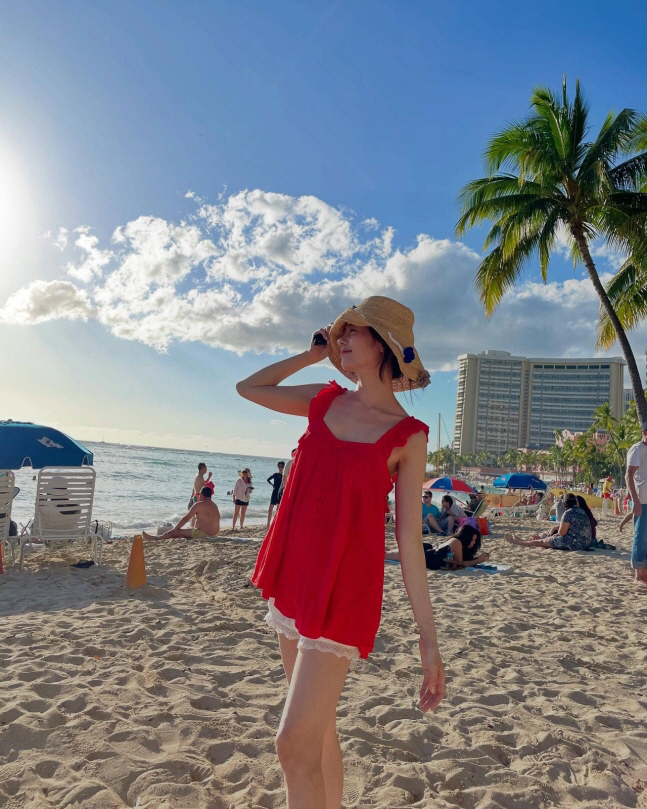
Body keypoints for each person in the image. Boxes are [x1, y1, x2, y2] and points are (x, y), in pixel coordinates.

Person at [236, 295, 445, 807]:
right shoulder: (324, 399)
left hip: (343, 592)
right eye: (339, 332)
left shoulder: (408, 436)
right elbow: (249, 388)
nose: (341, 339)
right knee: (318, 731)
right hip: (293, 577)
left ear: (384, 346)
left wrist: (428, 639)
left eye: (354, 331)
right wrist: (310, 356)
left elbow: (408, 542)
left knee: (291, 744)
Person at [505, 493, 592, 551]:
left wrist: (555, 534)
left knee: (542, 542)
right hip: (586, 542)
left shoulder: (568, 513)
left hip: (575, 543)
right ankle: (523, 541)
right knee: (546, 538)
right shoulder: (581, 511)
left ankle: (517, 542)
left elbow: (562, 533)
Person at [386, 524, 490, 569]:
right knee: (385, 555)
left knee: (389, 552)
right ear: (465, 536)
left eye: (475, 540)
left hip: (425, 553)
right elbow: (460, 563)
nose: (473, 543)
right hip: (422, 555)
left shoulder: (459, 544)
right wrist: (478, 560)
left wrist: (478, 558)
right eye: (472, 539)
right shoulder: (457, 542)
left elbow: (461, 561)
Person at [144, 486, 220, 539]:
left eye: (200, 495)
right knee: (186, 531)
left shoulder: (199, 505)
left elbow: (186, 518)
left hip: (203, 534)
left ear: (202, 495)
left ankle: (156, 538)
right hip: (215, 534)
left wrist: (175, 529)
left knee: (177, 532)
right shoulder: (215, 506)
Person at [625, 430, 647, 586]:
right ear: (644, 432)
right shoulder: (638, 449)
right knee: (641, 536)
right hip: (642, 500)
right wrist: (635, 501)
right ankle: (639, 573)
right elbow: (629, 475)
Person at [267, 461, 285, 528]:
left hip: (281, 492)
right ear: (278, 467)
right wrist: (273, 485)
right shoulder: (275, 474)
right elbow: (268, 479)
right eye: (279, 466)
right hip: (274, 492)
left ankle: (275, 524)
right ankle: (268, 524)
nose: (280, 468)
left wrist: (284, 487)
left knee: (278, 509)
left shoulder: (284, 475)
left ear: (284, 467)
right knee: (270, 509)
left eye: (282, 467)